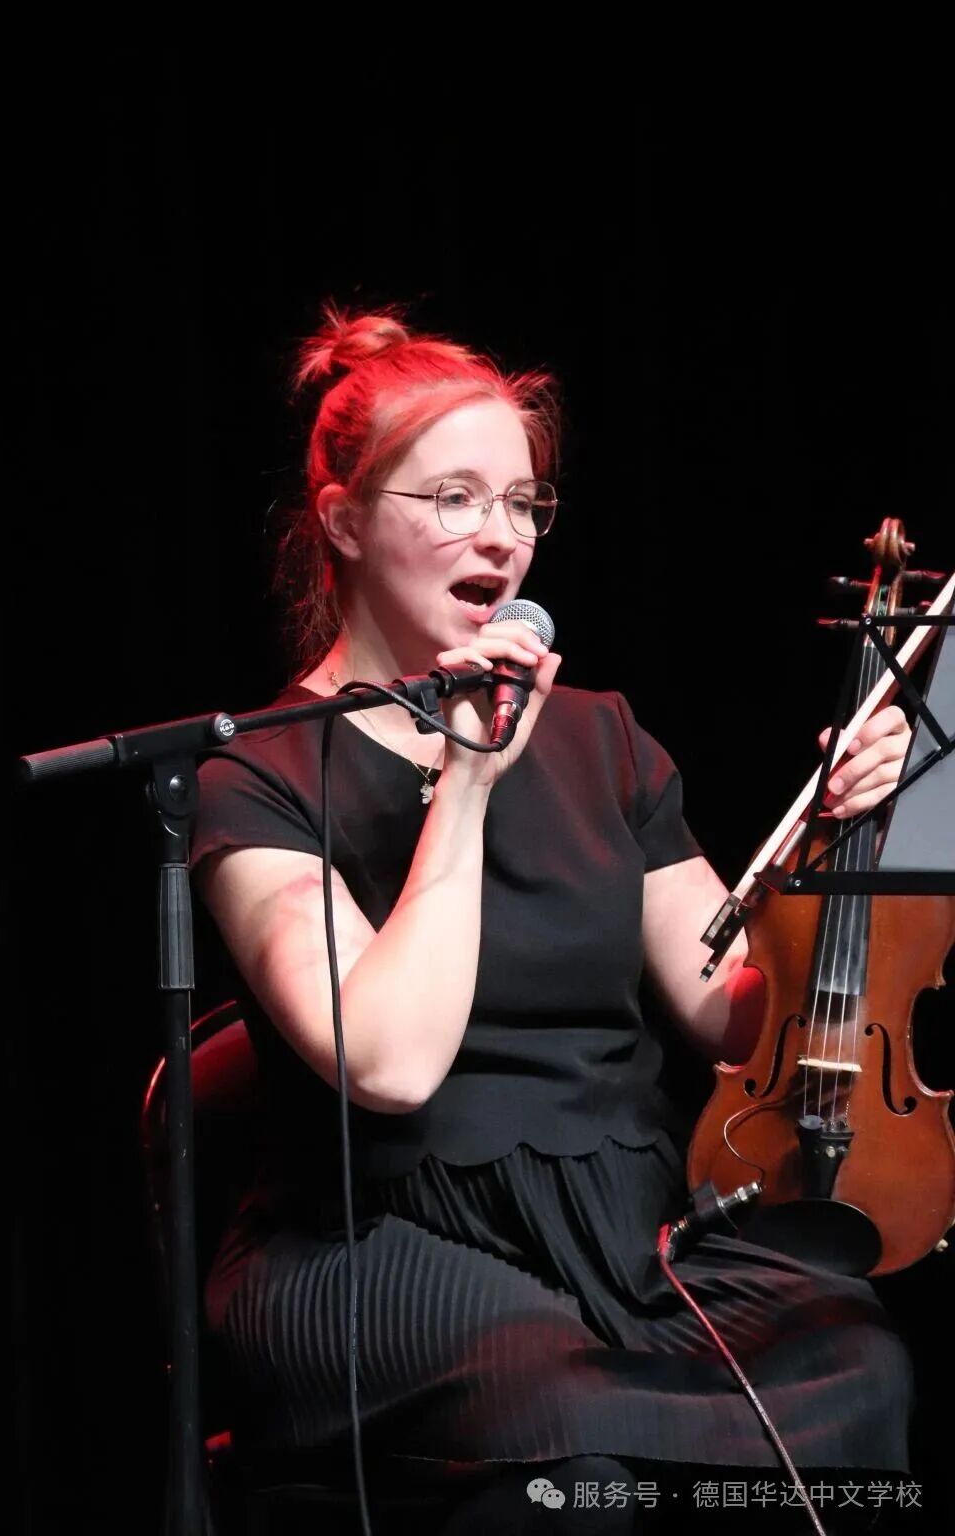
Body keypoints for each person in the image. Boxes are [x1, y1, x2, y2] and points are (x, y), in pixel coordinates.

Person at [189, 305, 917, 1534]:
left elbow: (731, 1019)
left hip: (622, 1229)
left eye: (523, 504)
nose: (503, 536)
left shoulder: (602, 738)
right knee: (567, 1443)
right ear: (344, 522)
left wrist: (831, 843)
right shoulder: (254, 778)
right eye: (455, 499)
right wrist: (466, 786)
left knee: (856, 1363)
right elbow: (390, 1063)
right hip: (377, 1244)